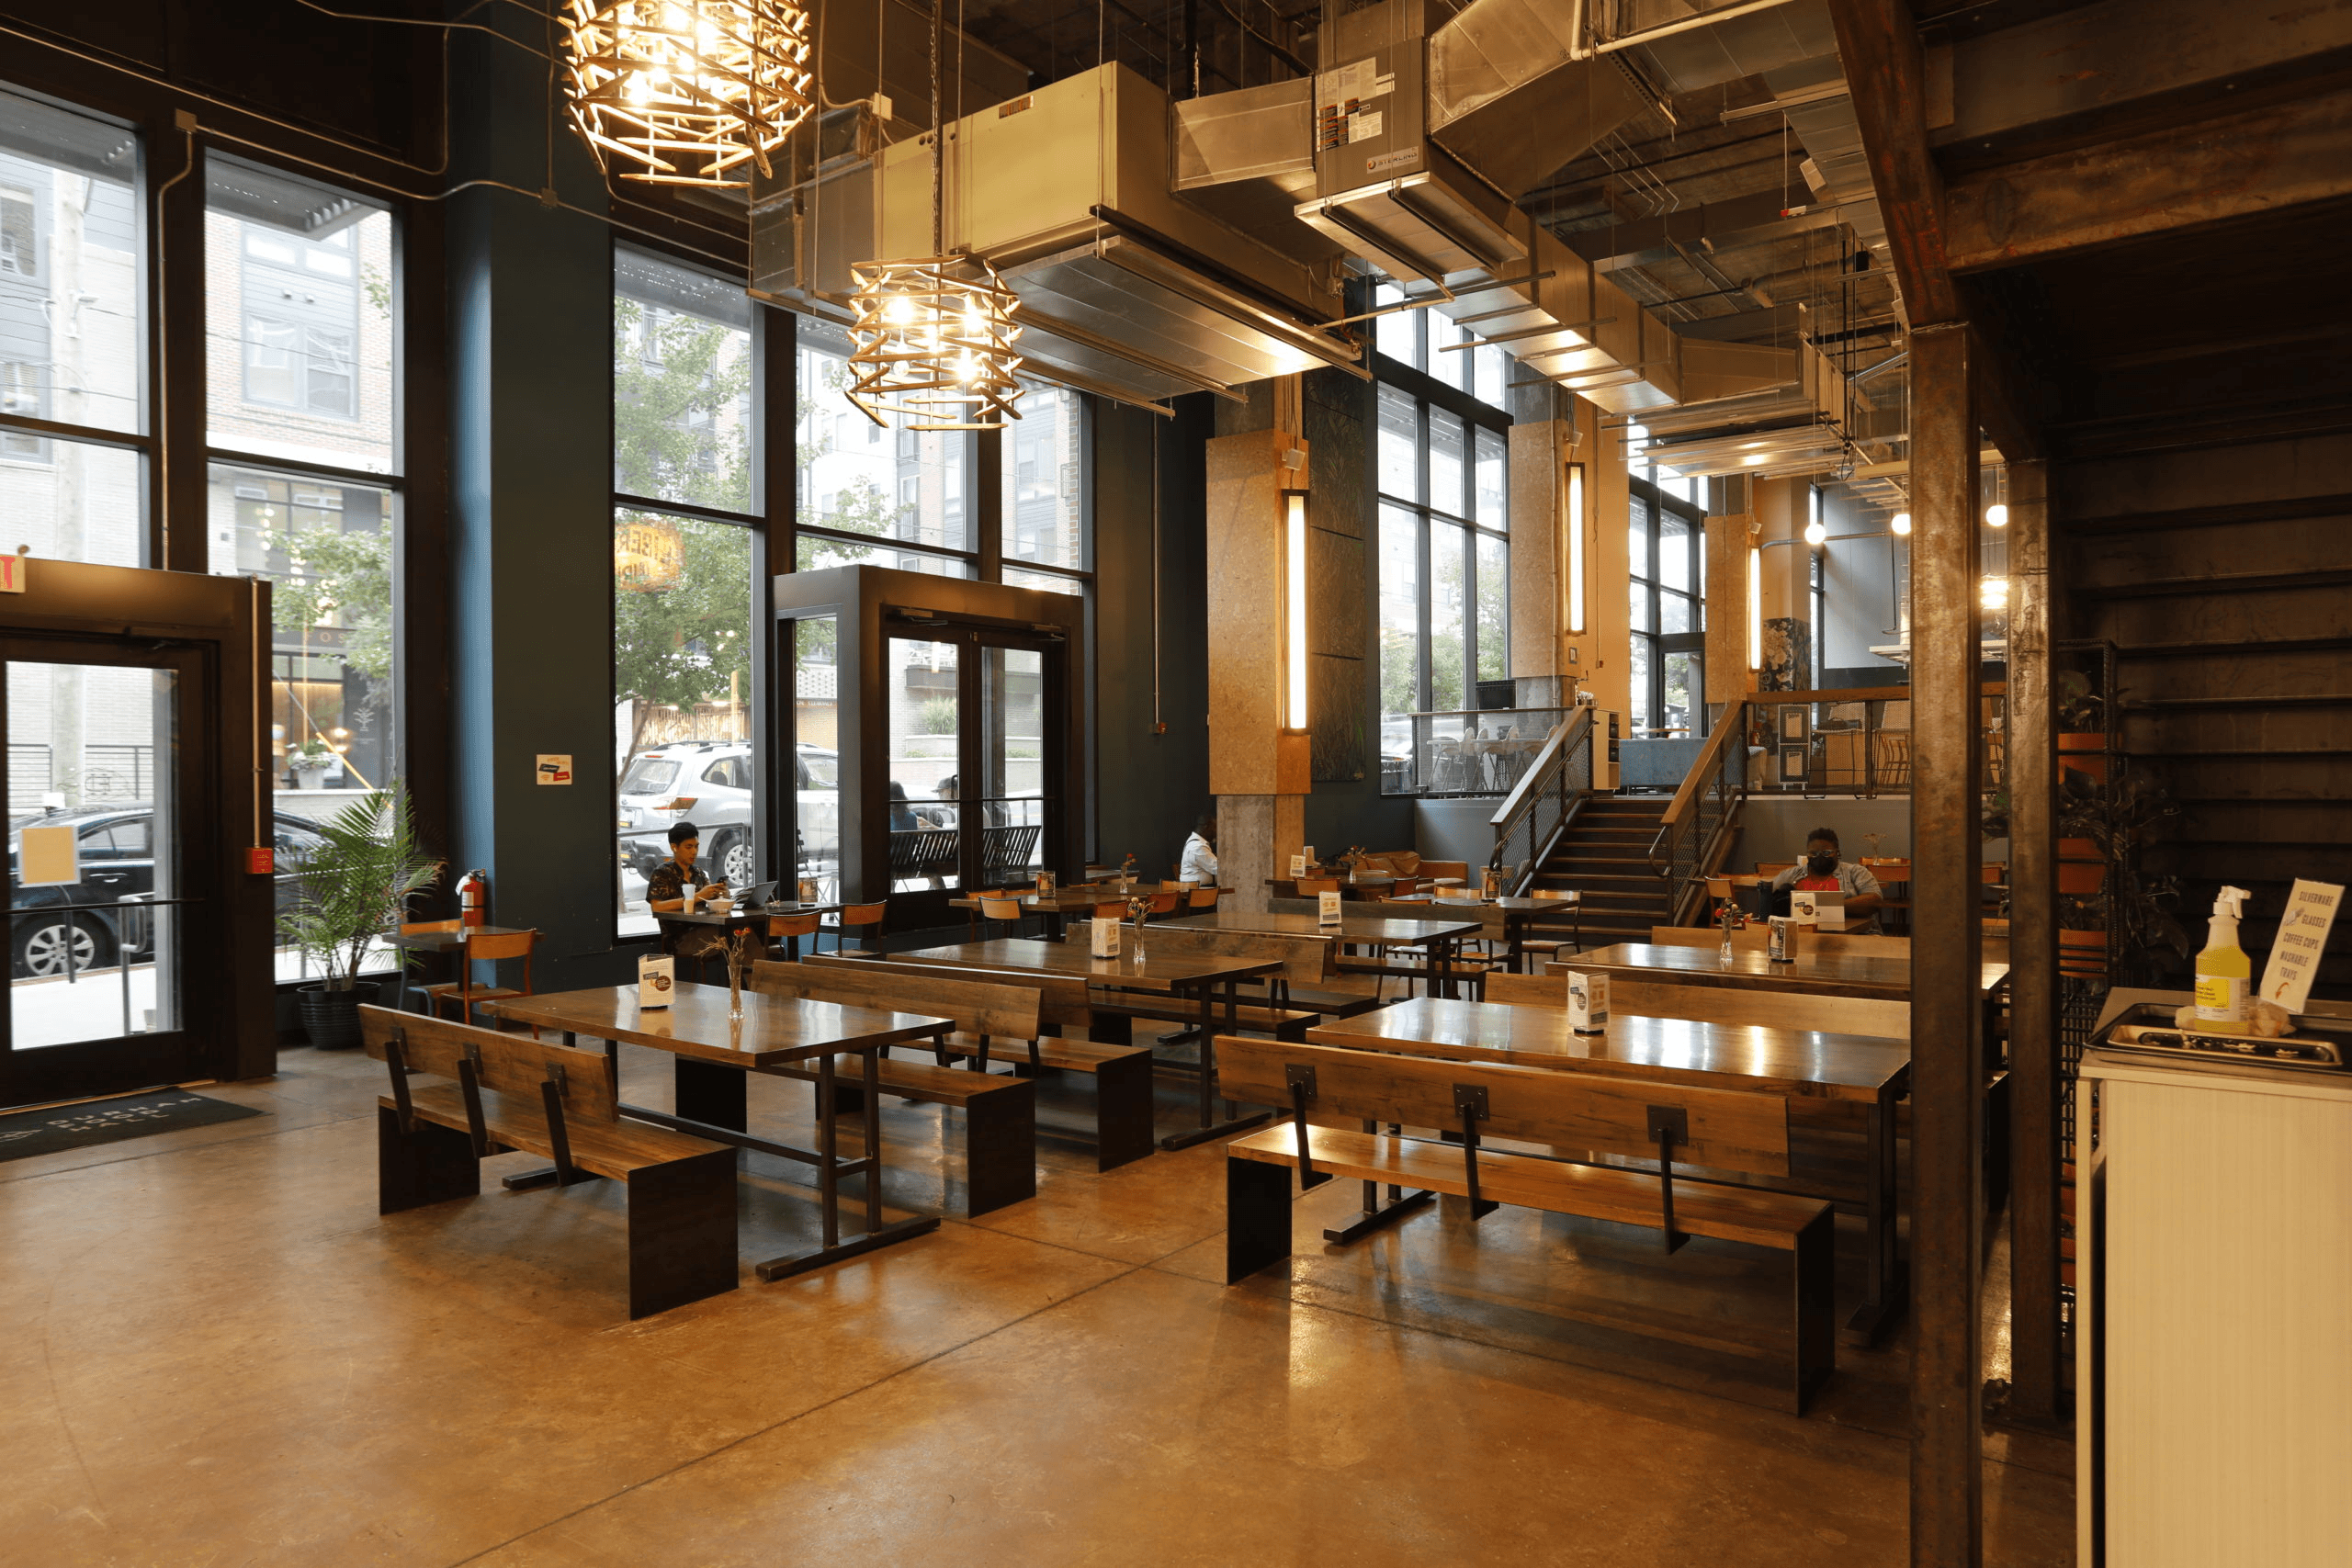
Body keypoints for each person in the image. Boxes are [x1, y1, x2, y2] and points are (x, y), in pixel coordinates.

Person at [1767, 826, 1886, 932]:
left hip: (1857, 935)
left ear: (1837, 853)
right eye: (1813, 853)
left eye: (1826, 853)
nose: (1819, 857)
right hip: (1805, 936)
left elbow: (1874, 901)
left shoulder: (1855, 872)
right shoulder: (1792, 875)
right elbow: (1766, 898)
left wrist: (1825, 906)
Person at [645, 820, 729, 960]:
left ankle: (758, 979)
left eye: (696, 846)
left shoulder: (699, 873)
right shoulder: (662, 873)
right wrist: (696, 897)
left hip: (704, 929)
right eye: (688, 847)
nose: (694, 852)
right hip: (679, 938)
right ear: (674, 847)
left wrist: (721, 894)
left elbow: (710, 901)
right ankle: (758, 978)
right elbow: (656, 907)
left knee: (742, 933)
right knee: (733, 937)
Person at [1178, 813, 1218, 886]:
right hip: (1197, 892)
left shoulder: (1196, 843)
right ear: (1206, 827)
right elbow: (1219, 868)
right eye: (1214, 827)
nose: (1216, 831)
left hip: (1202, 889)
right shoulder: (1197, 847)